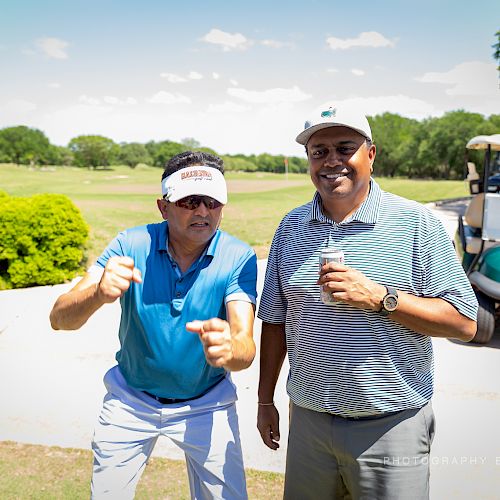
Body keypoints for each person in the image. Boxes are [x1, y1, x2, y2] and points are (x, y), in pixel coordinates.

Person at [256, 103, 478, 499]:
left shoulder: (415, 223)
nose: (332, 162)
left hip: (390, 426)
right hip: (309, 422)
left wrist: (380, 298)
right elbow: (275, 320)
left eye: (345, 148)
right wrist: (264, 399)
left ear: (370, 155)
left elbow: (464, 322)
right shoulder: (290, 226)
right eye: (319, 152)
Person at [50, 151, 257, 500]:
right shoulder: (129, 244)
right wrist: (98, 295)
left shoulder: (238, 256)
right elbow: (59, 319)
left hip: (208, 399)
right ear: (164, 207)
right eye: (190, 201)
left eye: (212, 202)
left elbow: (245, 347)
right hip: (131, 398)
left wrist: (229, 349)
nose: (203, 212)